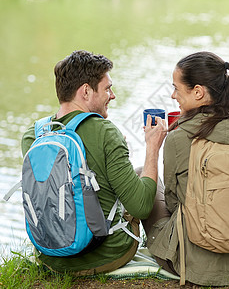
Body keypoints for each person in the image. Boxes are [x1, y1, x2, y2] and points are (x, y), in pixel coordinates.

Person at [21, 50, 167, 274]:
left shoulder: (35, 134)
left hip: (51, 257)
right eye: (107, 88)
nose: (113, 95)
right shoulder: (105, 132)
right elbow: (142, 207)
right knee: (146, 176)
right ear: (86, 91)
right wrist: (153, 149)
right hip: (104, 255)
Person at [144, 51, 229, 286]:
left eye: (177, 89)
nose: (172, 95)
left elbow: (172, 203)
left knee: (144, 176)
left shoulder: (179, 139)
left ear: (198, 92)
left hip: (193, 265)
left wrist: (154, 148)